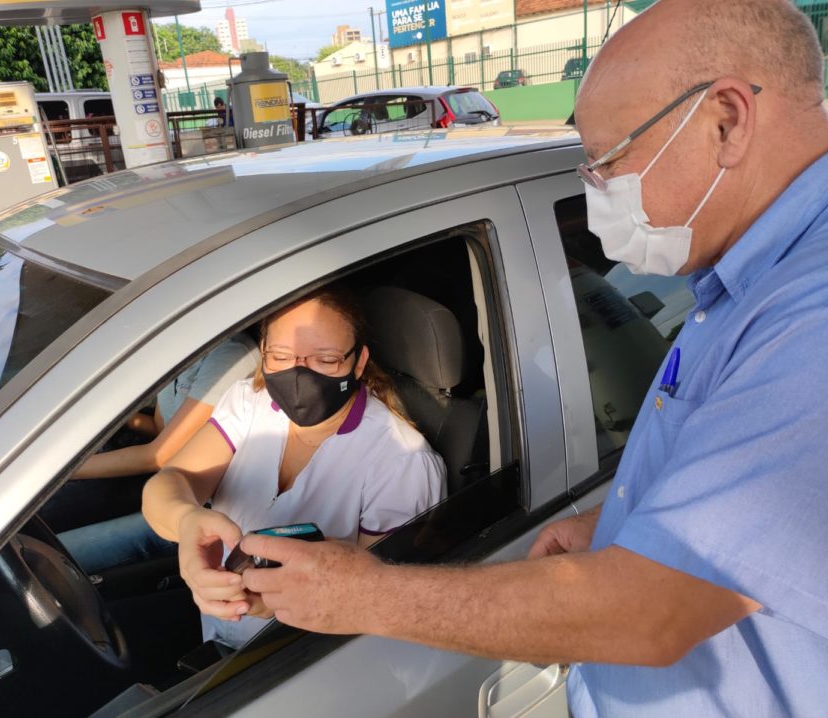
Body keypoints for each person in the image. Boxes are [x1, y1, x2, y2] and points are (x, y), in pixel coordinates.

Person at [235, 1, 828, 716]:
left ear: (726, 121)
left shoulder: (809, 319)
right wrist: (621, 517)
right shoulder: (745, 278)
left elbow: (650, 612)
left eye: (610, 159)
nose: (596, 190)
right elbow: (745, 496)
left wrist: (358, 594)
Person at [142, 285, 446, 649]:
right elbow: (170, 483)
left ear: (359, 362)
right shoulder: (249, 402)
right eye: (281, 356)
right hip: (214, 634)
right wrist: (185, 521)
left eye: (325, 359)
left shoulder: (401, 462)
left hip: (296, 661)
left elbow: (380, 598)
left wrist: (283, 600)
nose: (299, 374)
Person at [53, 334, 259, 571]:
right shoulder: (183, 348)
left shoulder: (233, 355)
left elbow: (161, 455)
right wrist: (119, 418)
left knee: (58, 558)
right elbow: (163, 428)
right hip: (168, 486)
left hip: (203, 505)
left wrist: (64, 471)